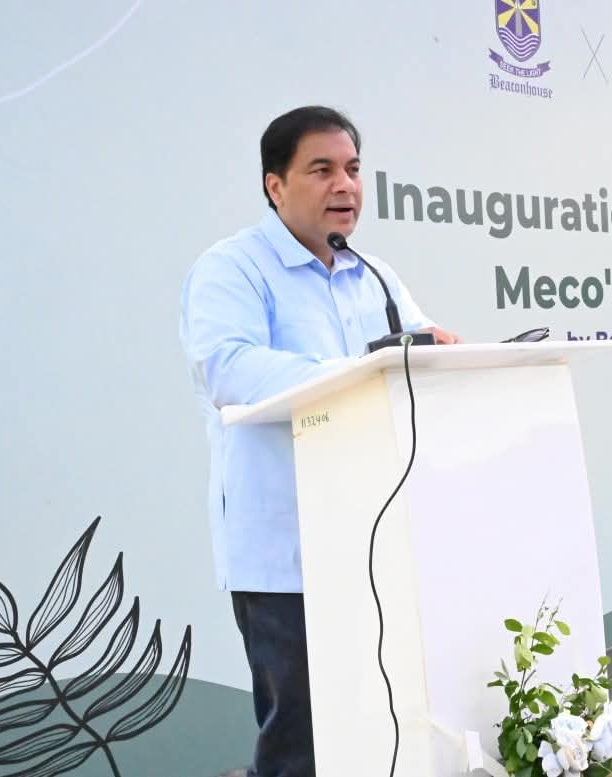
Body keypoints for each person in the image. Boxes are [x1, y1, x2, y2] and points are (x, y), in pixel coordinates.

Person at [178, 105, 459, 777]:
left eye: (354, 169)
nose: (346, 185)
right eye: (323, 169)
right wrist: (359, 370)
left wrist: (435, 351)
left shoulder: (375, 274)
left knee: (381, 727)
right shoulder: (232, 268)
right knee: (300, 743)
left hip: (377, 542)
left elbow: (412, 355)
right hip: (287, 556)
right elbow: (229, 370)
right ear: (275, 185)